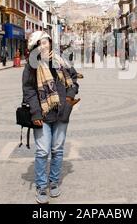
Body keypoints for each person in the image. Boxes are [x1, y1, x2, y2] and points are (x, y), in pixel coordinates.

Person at [22, 31, 79, 204]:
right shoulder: (31, 66)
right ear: (34, 48)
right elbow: (29, 91)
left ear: (50, 43)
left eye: (45, 42)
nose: (43, 46)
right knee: (42, 151)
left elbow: (74, 80)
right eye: (39, 43)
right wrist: (35, 113)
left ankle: (53, 182)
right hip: (42, 115)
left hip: (62, 113)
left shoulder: (61, 61)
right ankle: (41, 185)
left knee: (57, 149)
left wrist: (69, 99)